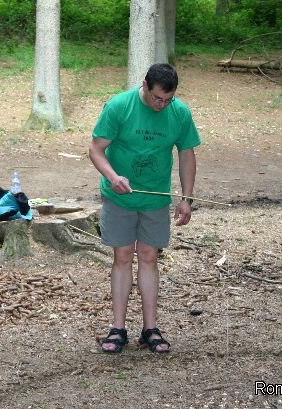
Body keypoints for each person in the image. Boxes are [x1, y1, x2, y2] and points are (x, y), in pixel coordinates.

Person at [88, 63, 200, 353]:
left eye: (168, 100)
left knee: (149, 256)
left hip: (155, 198)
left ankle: (151, 329)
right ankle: (118, 329)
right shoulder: (119, 106)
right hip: (120, 197)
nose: (162, 105)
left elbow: (187, 155)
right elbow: (96, 149)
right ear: (145, 86)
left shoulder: (180, 112)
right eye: (157, 98)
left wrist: (187, 198)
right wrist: (113, 177)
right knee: (123, 255)